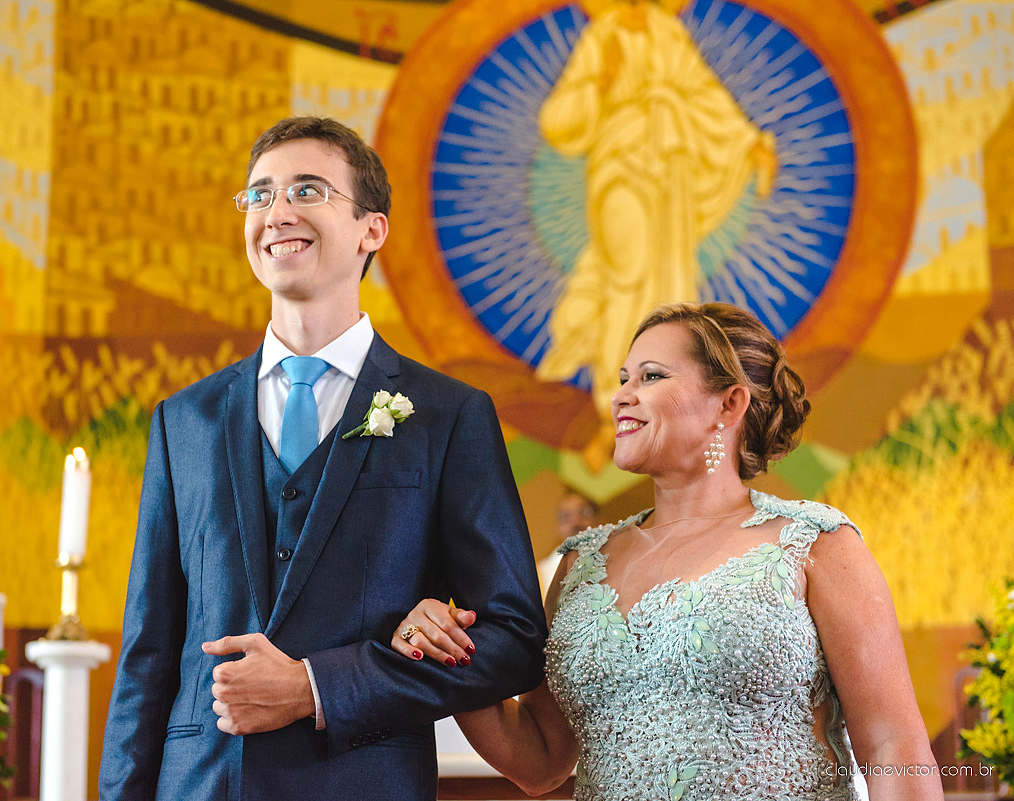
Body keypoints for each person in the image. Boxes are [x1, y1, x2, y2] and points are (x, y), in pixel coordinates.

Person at [99, 116, 547, 801]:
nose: (277, 212)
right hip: (199, 785)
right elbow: (147, 652)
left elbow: (512, 641)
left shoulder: (449, 415)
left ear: (373, 229)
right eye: (259, 195)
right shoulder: (183, 420)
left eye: (307, 190)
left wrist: (319, 687)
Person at [391, 302, 942, 801]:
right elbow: (541, 762)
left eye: (651, 376)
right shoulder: (581, 564)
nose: (621, 396)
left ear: (729, 403)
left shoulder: (815, 544)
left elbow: (893, 744)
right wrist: (446, 653)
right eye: (623, 379)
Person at [534, 0, 776, 472]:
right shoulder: (603, 37)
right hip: (620, 160)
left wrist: (749, 141)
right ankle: (614, 410)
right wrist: (601, 81)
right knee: (626, 274)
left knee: (669, 280)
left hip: (671, 163)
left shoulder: (668, 32)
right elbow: (559, 118)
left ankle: (673, 410)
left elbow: (705, 94)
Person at [537, 489, 598, 598]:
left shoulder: (618, 554)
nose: (575, 522)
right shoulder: (542, 573)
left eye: (584, 513)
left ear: (598, 517)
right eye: (565, 516)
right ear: (557, 527)